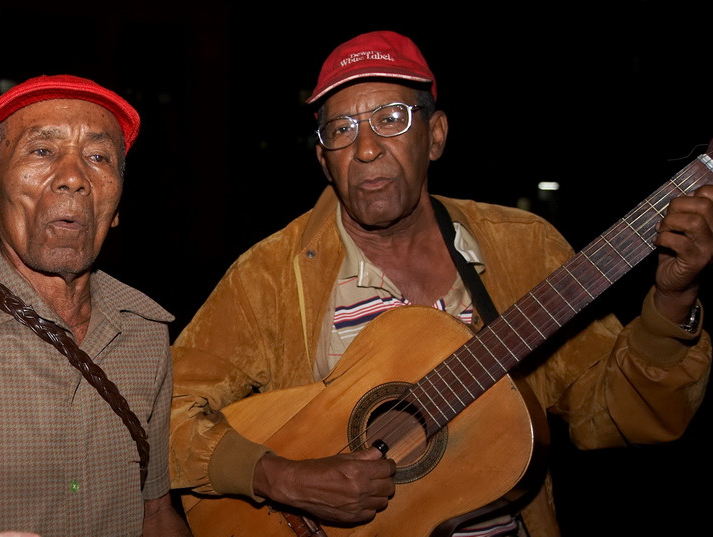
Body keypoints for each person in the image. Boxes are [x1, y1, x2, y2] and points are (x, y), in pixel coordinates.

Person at [168, 31, 713, 536]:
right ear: (323, 159)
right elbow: (163, 410)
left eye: (392, 119)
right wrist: (279, 478)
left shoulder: (524, 249)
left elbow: (610, 418)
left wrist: (671, 303)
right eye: (342, 129)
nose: (365, 148)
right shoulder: (270, 275)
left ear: (436, 136)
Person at [0, 74, 192, 537]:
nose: (73, 178)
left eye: (98, 157)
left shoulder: (145, 332)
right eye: (42, 151)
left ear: (117, 204)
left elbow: (155, 514)